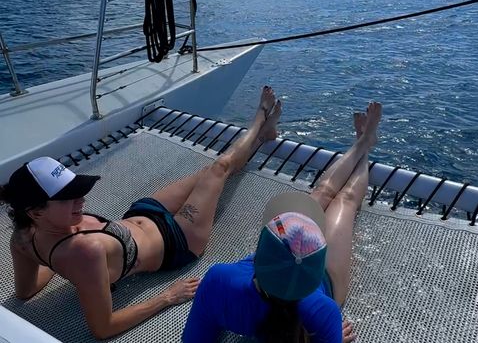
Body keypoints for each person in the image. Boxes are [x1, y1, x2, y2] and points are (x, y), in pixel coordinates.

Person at [0, 86, 282, 340]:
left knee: (209, 173)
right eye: (67, 197)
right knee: (219, 168)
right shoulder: (84, 252)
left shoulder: (24, 237)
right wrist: (166, 297)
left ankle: (264, 136)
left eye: (77, 190)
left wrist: (54, 259)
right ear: (35, 212)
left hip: (144, 212)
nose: (81, 199)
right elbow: (103, 328)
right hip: (178, 241)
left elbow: (26, 291)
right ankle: (260, 119)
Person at [182, 101, 383, 343]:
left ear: (259, 253)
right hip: (326, 282)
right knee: (345, 200)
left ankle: (363, 141)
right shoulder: (322, 313)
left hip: (289, 276)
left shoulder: (219, 282)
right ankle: (364, 145)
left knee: (322, 193)